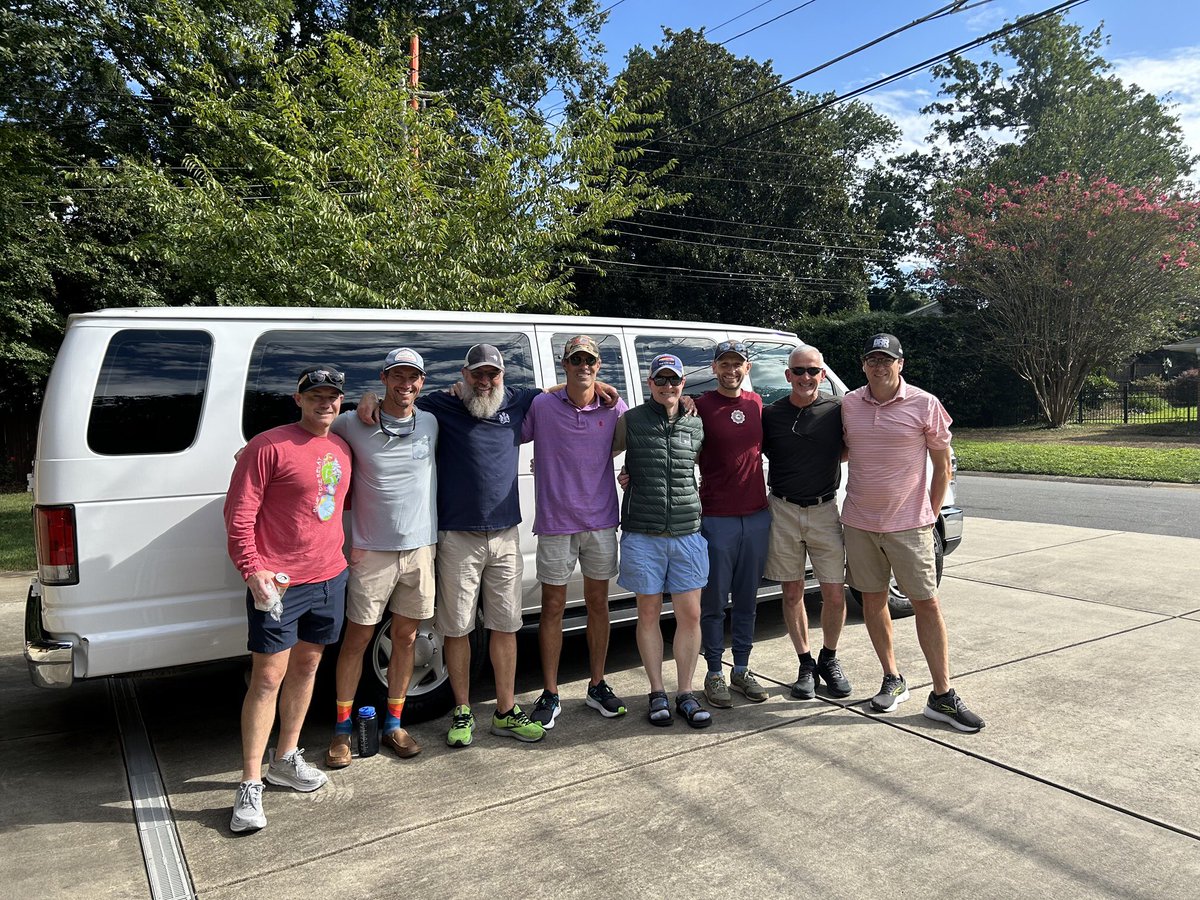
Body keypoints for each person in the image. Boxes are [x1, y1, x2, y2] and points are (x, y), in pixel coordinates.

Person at [223, 365, 353, 833]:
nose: (325, 402)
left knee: (308, 667)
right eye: (315, 395)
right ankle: (249, 782)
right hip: (279, 584)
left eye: (332, 396)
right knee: (266, 678)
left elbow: (331, 507)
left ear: (341, 401)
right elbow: (238, 515)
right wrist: (252, 570)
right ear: (298, 399)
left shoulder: (342, 448)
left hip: (330, 577)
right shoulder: (267, 446)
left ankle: (286, 758)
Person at [842, 333, 984, 732]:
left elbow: (943, 466)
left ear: (900, 364)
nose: (879, 366)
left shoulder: (925, 403)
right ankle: (892, 677)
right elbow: (841, 448)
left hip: (909, 525)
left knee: (927, 603)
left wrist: (930, 514)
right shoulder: (849, 404)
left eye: (886, 360)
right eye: (872, 359)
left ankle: (942, 694)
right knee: (872, 600)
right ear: (863, 364)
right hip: (859, 522)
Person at [325, 348, 437, 768]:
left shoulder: (432, 421)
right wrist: (255, 450)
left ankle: (394, 724)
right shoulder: (352, 422)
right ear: (383, 378)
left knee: (407, 638)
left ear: (422, 382)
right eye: (397, 376)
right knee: (357, 639)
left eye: (413, 377)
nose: (405, 384)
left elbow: (497, 395)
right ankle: (341, 730)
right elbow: (311, 427)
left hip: (420, 549)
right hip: (371, 551)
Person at [522, 336, 630, 728]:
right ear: (565, 365)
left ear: (598, 366)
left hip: (601, 520)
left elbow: (642, 435)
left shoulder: (614, 406)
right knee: (552, 607)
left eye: (590, 360)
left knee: (599, 603)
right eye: (576, 360)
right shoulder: (543, 406)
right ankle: (550, 692)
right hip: (556, 523)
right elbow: (509, 427)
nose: (583, 365)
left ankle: (597, 685)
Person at [613, 353, 711, 728]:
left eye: (674, 380)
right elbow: (594, 452)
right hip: (643, 533)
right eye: (661, 380)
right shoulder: (631, 420)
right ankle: (656, 691)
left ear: (683, 383)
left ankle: (685, 692)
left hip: (687, 532)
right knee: (649, 614)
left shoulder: (696, 422)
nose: (668, 386)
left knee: (691, 615)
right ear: (650, 383)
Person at [761, 345, 853, 700]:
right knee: (792, 592)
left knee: (834, 592)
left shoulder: (839, 409)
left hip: (824, 509)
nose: (805, 377)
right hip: (783, 509)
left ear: (823, 374)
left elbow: (850, 446)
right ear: (788, 375)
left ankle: (829, 658)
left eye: (813, 370)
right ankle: (805, 663)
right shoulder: (770, 414)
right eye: (798, 371)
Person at [694, 340, 772, 708]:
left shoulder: (757, 404)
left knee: (746, 600)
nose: (731, 370)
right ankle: (714, 672)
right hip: (716, 518)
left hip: (756, 516)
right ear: (714, 368)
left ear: (747, 368)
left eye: (737, 363)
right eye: (724, 363)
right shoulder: (700, 406)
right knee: (713, 602)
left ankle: (741, 669)